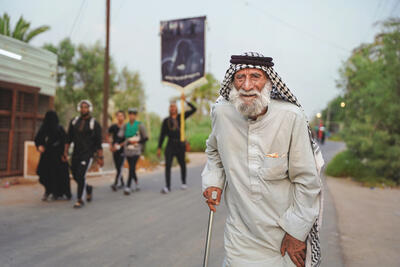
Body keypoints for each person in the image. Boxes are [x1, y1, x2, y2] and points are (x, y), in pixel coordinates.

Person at [202, 52, 323, 267]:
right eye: (240, 77)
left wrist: (296, 232)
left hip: (283, 235)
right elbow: (214, 152)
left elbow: (306, 180)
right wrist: (214, 180)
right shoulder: (222, 114)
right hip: (240, 235)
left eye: (255, 76)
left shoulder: (290, 117)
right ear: (232, 82)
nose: (247, 86)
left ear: (268, 81)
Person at [63, 100, 104, 208]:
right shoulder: (74, 122)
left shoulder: (94, 124)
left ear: (89, 109)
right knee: (76, 176)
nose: (83, 109)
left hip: (88, 154)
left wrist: (100, 157)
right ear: (79, 109)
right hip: (76, 153)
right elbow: (68, 139)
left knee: (81, 175)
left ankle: (80, 199)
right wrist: (65, 152)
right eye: (82, 107)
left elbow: (99, 143)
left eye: (86, 107)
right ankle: (88, 188)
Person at [157, 95, 196, 194]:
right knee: (168, 166)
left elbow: (194, 109)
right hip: (170, 144)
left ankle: (183, 182)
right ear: (169, 109)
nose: (172, 108)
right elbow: (162, 135)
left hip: (180, 144)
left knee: (182, 164)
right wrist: (159, 147)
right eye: (171, 107)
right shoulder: (166, 121)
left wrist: (185, 100)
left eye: (174, 106)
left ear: (177, 108)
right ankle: (167, 187)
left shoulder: (181, 117)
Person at [34, 111, 71, 201]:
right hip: (46, 156)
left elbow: (65, 141)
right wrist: (39, 146)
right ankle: (48, 191)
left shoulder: (59, 128)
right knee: (44, 174)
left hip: (58, 156)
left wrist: (65, 153)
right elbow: (37, 139)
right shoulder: (43, 128)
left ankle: (56, 193)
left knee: (57, 175)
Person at [118, 108, 148, 195]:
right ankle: (137, 182)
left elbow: (145, 137)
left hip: (136, 149)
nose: (132, 116)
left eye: (133, 114)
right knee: (132, 168)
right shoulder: (125, 125)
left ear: (136, 115)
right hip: (127, 150)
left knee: (132, 167)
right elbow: (120, 136)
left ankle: (128, 187)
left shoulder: (140, 125)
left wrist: (137, 142)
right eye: (130, 114)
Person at [107, 110, 126, 191]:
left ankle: (115, 183)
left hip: (123, 149)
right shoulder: (113, 126)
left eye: (121, 115)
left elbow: (129, 139)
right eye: (118, 115)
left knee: (120, 166)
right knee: (117, 166)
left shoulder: (127, 127)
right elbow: (107, 135)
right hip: (114, 149)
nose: (120, 117)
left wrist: (120, 145)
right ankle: (121, 182)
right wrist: (110, 145)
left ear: (124, 117)